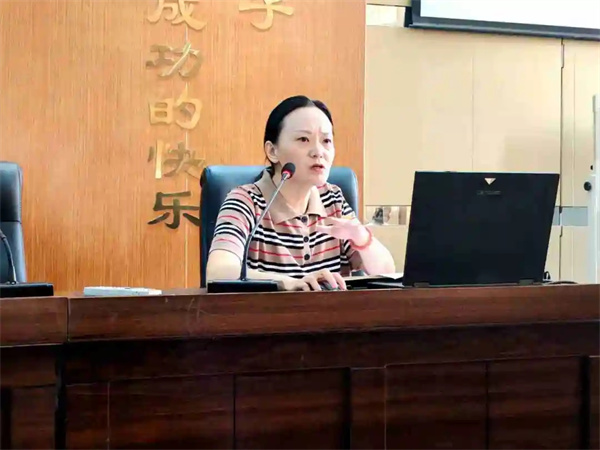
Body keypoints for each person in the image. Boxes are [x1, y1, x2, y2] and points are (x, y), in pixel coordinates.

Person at [206, 95, 395, 291]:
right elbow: (218, 272)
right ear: (272, 151)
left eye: (326, 140)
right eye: (303, 139)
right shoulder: (246, 201)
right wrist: (287, 282)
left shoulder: (333, 199)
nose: (318, 151)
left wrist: (363, 239)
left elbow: (386, 273)